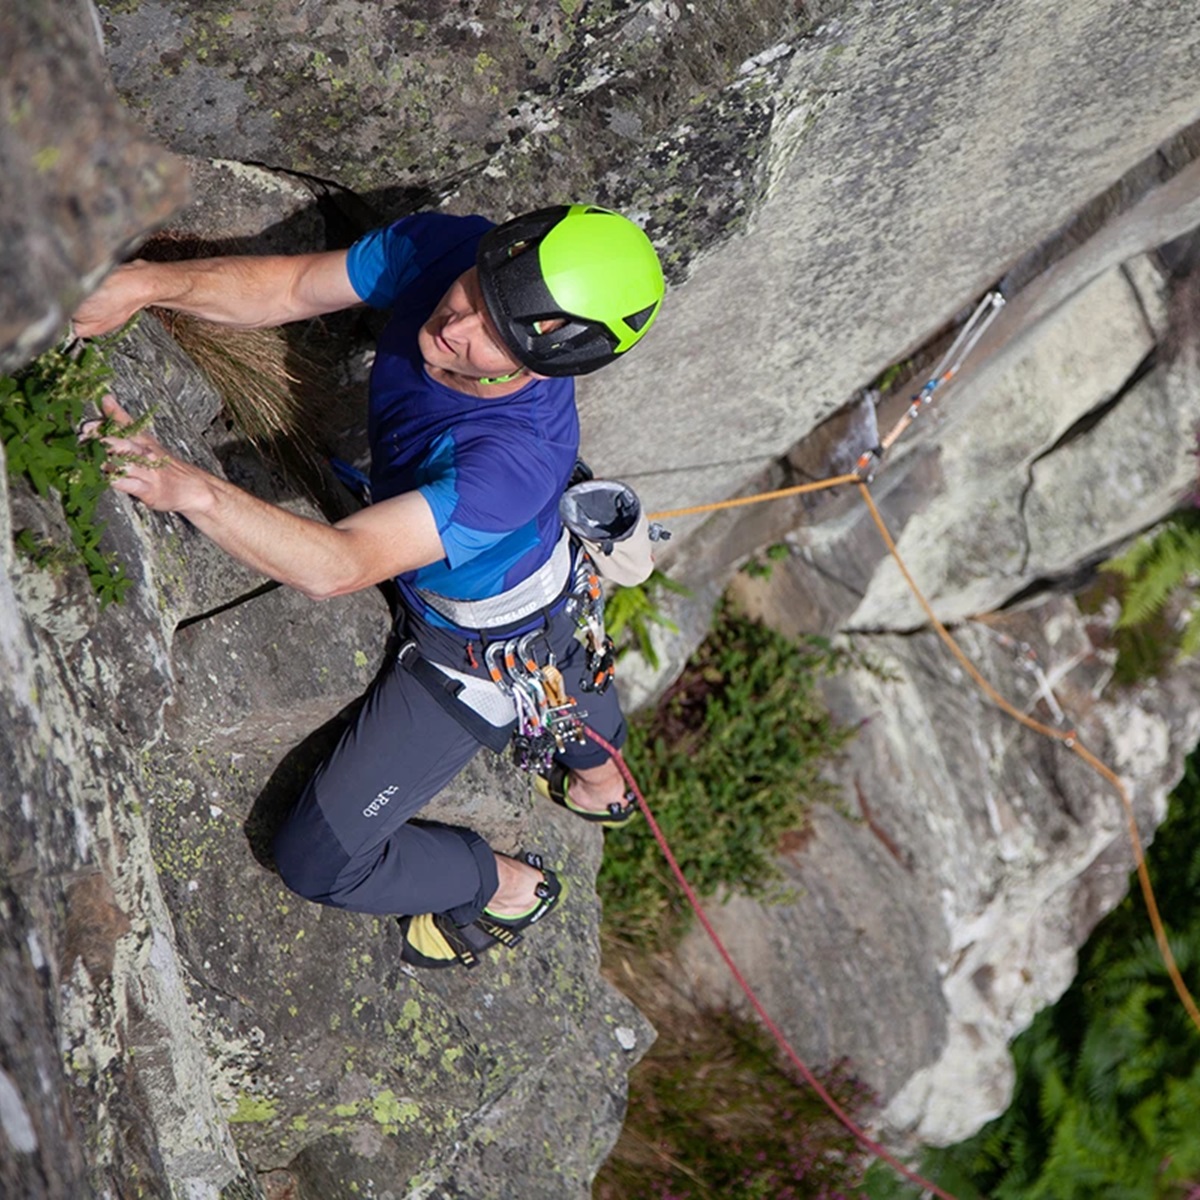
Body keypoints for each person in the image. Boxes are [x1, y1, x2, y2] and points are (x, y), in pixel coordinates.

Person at [72, 203, 665, 968]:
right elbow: (290, 290)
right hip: (513, 583)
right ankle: (598, 785)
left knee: (318, 862)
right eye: (476, 289)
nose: (459, 324)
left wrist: (190, 490)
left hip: (480, 649)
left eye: (497, 333)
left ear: (545, 361)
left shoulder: (510, 463)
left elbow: (341, 564)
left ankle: (505, 884)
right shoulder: (449, 247)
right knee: (572, 692)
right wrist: (141, 284)